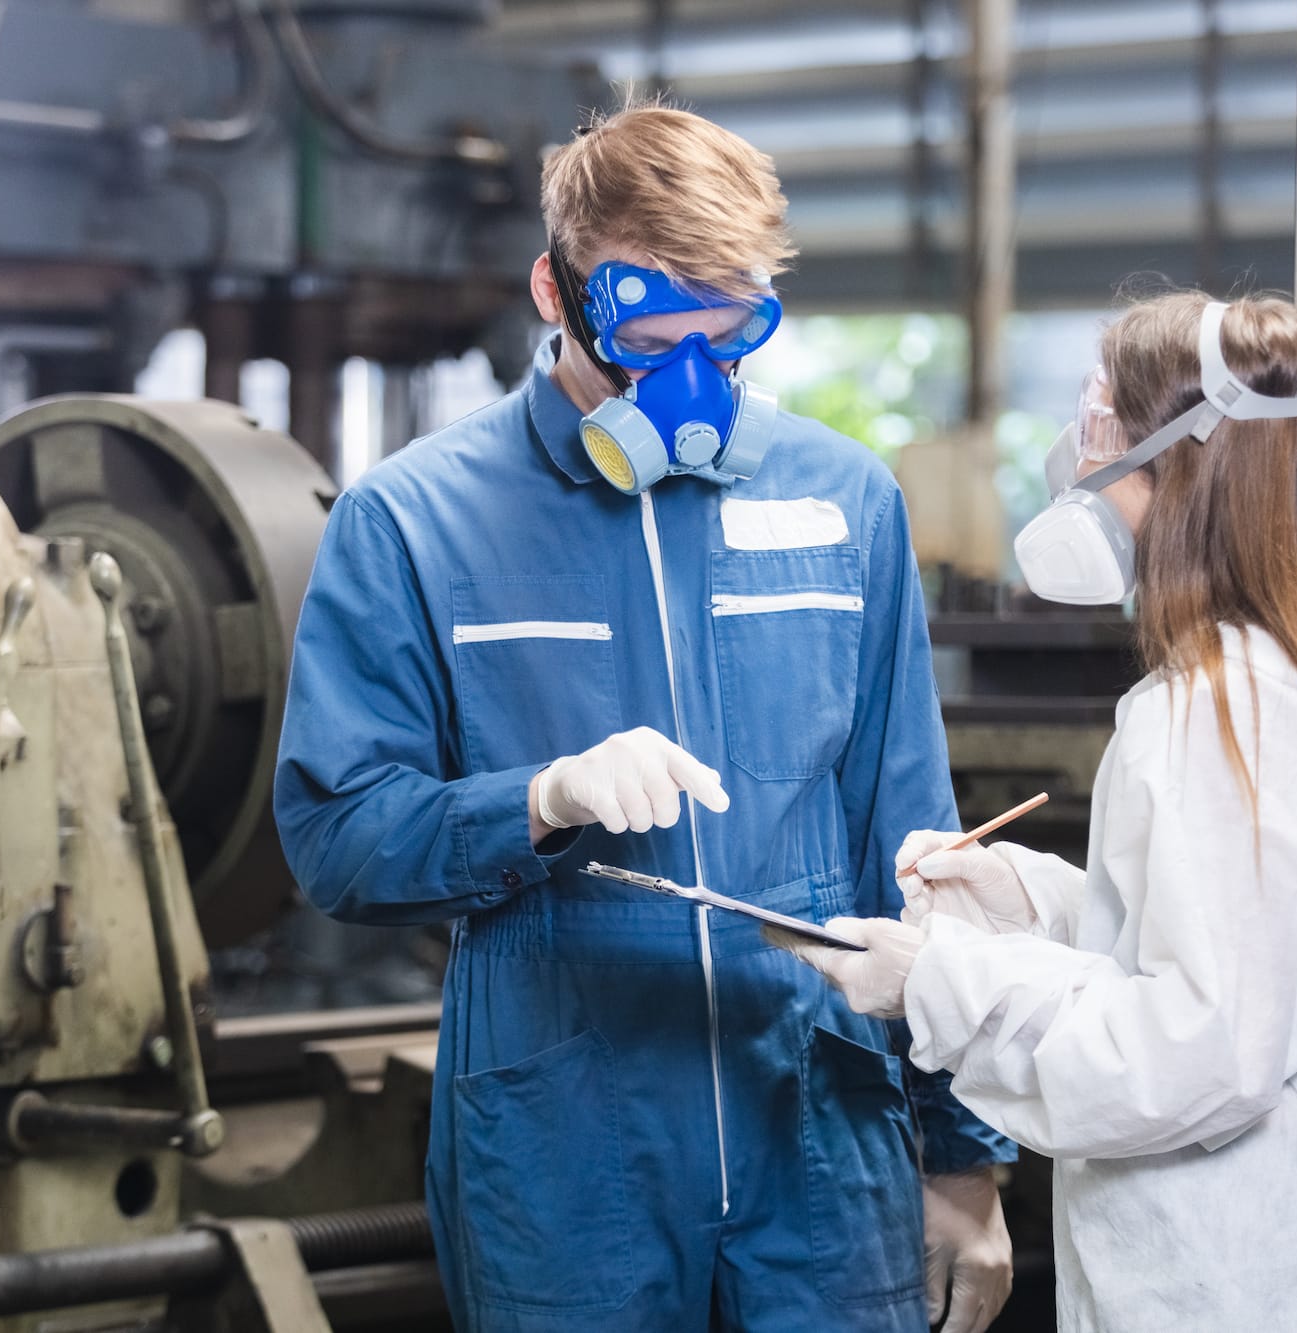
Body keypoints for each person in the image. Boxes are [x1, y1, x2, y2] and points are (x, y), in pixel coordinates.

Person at [274, 102, 1016, 1332]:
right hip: (567, 1162)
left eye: (726, 328)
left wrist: (961, 1159)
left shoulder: (844, 502)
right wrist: (536, 800)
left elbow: (914, 846)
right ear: (554, 291)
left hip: (820, 1143)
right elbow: (338, 837)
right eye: (646, 325)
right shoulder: (414, 519)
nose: (687, 374)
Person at [775, 291, 1297, 1331]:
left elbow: (1194, 1054)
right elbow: (1265, 945)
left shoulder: (1220, 713)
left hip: (1253, 1288)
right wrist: (1034, 904)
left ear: (1180, 458)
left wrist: (940, 985)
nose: (1072, 461)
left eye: (1095, 423)